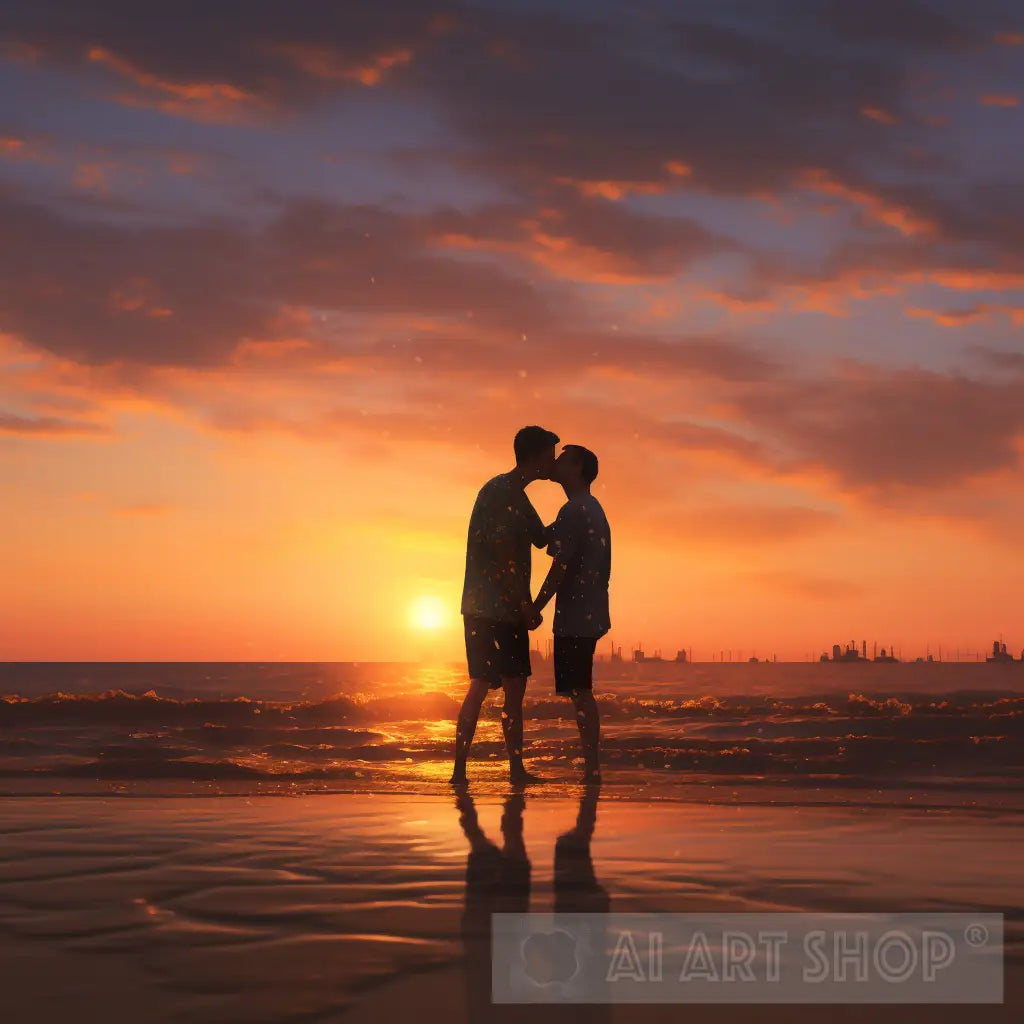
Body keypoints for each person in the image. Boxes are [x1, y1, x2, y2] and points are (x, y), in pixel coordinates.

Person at [450, 425, 559, 787]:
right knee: (484, 685)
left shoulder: (512, 492)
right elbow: (502, 557)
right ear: (536, 455)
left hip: (487, 607)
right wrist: (525, 605)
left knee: (509, 688)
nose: (554, 462)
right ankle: (462, 771)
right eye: (550, 455)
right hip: (494, 608)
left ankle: (508, 770)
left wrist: (572, 512)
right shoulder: (500, 492)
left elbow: (541, 538)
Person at [533, 445, 610, 784]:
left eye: (562, 459)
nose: (556, 463)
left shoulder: (575, 510)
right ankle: (592, 767)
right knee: (580, 690)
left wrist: (535, 607)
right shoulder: (586, 509)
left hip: (578, 616)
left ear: (577, 467)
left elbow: (559, 565)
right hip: (588, 613)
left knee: (580, 691)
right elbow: (543, 538)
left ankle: (592, 769)